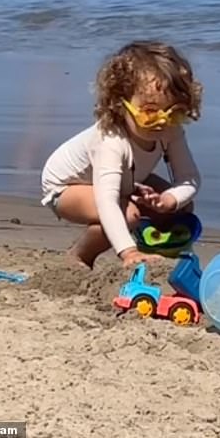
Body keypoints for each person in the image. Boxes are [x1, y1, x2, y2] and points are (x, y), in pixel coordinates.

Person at [41, 41, 203, 269]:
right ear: (120, 104)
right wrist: (128, 252)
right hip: (66, 187)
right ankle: (80, 255)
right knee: (128, 215)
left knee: (183, 206)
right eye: (149, 112)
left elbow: (189, 178)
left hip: (128, 176)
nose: (162, 121)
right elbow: (107, 202)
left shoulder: (171, 132)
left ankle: (153, 247)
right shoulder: (111, 141)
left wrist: (169, 200)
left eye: (174, 112)